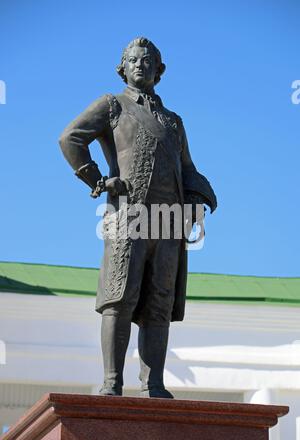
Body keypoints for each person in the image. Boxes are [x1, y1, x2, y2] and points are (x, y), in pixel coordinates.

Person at [59, 37, 217, 398]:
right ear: (123, 68)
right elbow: (70, 138)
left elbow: (188, 169)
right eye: (132, 60)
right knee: (120, 298)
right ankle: (112, 383)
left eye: (147, 61)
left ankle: (154, 385)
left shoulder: (174, 122)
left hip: (169, 222)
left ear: (159, 70)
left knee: (158, 303)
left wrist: (197, 197)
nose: (140, 65)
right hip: (128, 217)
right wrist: (97, 179)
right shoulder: (112, 106)